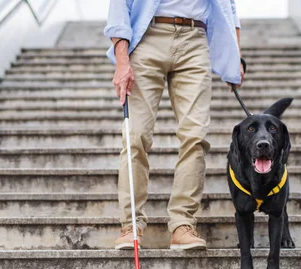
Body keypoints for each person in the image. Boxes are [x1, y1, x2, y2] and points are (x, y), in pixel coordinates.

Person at [105, 0, 245, 250]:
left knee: (196, 135)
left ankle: (183, 224)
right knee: (135, 135)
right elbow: (120, 5)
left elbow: (229, 6)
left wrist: (235, 55)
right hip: (148, 36)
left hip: (195, 39)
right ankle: (131, 225)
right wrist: (122, 60)